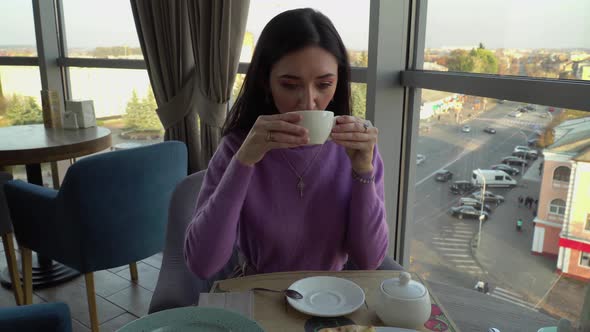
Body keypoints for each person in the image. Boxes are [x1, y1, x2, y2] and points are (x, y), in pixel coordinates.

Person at [184, 8, 392, 280]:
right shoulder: (238, 146)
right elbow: (202, 263)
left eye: (324, 84)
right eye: (290, 85)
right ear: (266, 82)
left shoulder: (356, 148)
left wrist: (363, 169)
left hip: (331, 297)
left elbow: (369, 260)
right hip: (259, 292)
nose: (308, 102)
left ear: (338, 80)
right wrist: (244, 161)